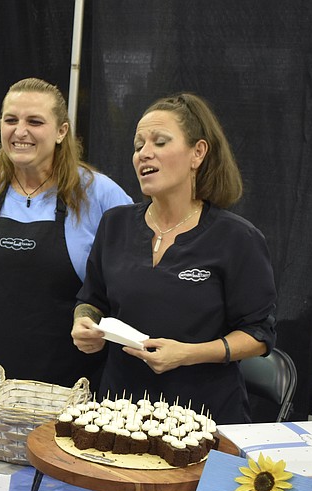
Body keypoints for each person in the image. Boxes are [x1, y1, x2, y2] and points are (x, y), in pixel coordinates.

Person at [71, 93, 276, 425]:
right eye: (138, 145)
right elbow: (91, 300)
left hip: (204, 418)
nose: (144, 153)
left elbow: (258, 336)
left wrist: (188, 355)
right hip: (120, 414)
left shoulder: (238, 238)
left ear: (198, 153)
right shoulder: (115, 224)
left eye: (160, 142)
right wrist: (83, 323)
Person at [0, 77, 131, 398]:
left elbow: (131, 289)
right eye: (11, 120)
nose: (20, 131)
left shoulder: (102, 196)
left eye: (35, 121)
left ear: (61, 132)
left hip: (66, 392)